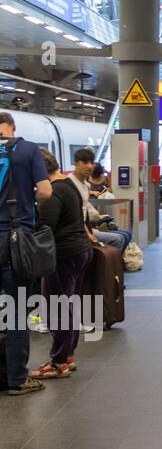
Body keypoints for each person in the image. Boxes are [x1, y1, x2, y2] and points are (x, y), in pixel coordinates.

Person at [0, 110, 53, 396]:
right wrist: (24, 199)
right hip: (15, 240)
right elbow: (45, 191)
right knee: (16, 311)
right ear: (12, 127)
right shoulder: (28, 149)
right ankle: (17, 379)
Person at [31, 150, 92, 380]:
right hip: (80, 250)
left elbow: (46, 227)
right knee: (69, 304)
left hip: (63, 255)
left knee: (56, 307)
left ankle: (58, 362)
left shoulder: (53, 192)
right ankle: (68, 355)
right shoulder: (68, 184)